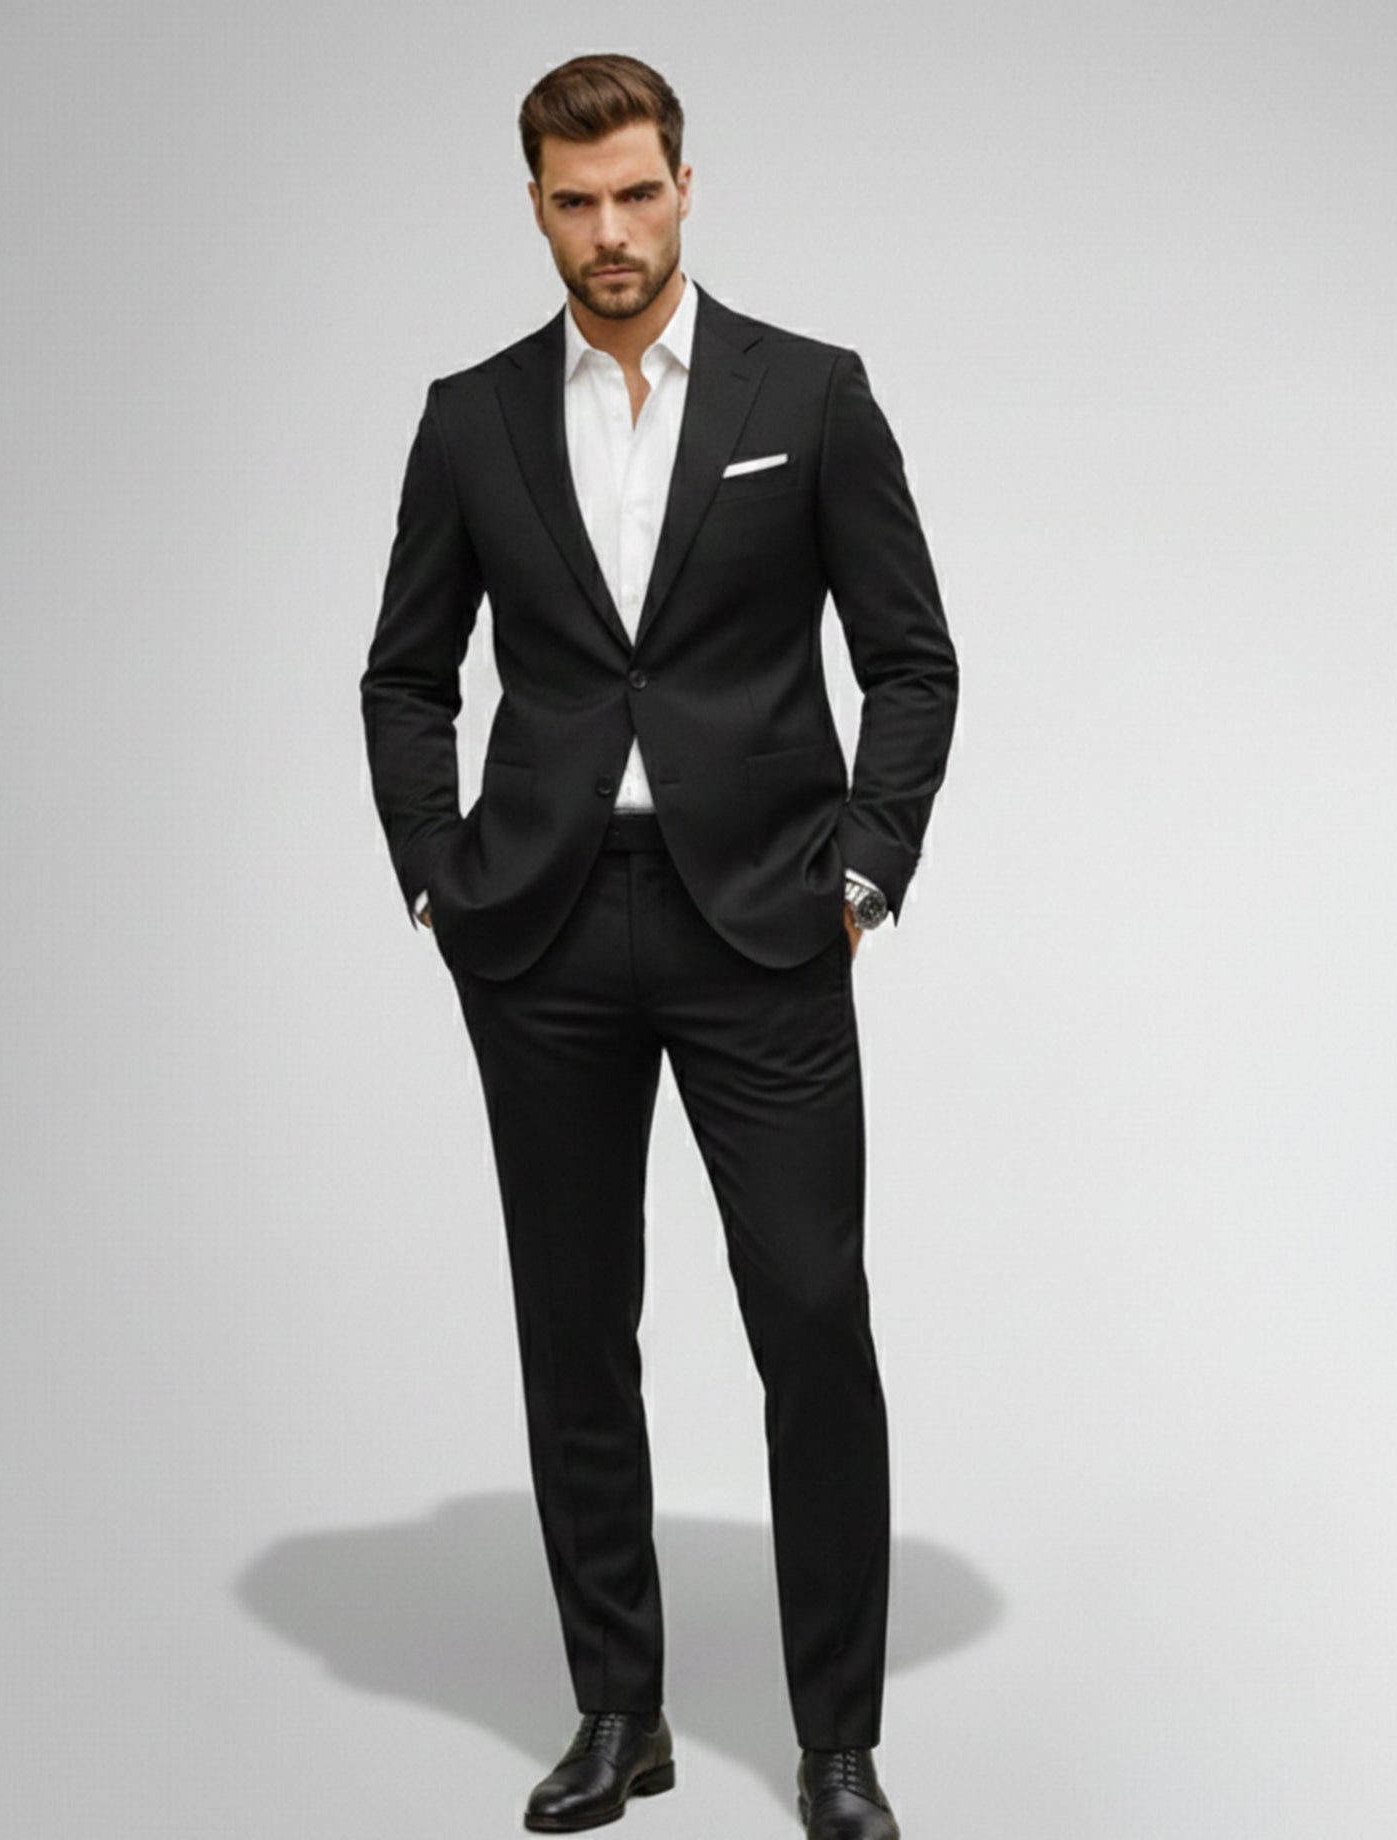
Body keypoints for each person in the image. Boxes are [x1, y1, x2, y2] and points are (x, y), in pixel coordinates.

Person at [360, 52, 957, 1839]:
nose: (609, 232)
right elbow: (405, 672)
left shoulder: (810, 393)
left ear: (685, 186)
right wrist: (436, 881)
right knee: (574, 1331)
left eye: (635, 193)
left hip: (760, 923)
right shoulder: (471, 418)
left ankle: (836, 1742)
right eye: (574, 202)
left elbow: (909, 658)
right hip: (541, 931)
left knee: (811, 1317)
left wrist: (862, 876)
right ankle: (617, 1713)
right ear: (535, 208)